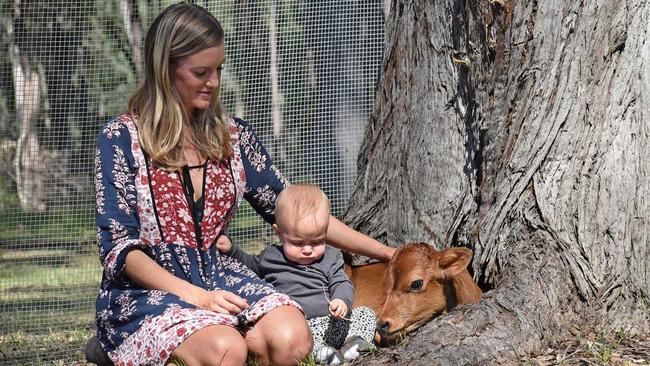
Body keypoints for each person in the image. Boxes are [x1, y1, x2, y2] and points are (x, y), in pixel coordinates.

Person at [90, 2, 395, 366]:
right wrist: (198, 298)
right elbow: (120, 252)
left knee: (292, 340)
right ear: (164, 70)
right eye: (201, 72)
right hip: (149, 291)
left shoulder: (232, 136)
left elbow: (298, 213)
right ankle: (121, 347)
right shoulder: (120, 138)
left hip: (222, 277)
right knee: (226, 350)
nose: (214, 82)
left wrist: (389, 254)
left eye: (218, 69)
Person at [217, 184, 377, 365]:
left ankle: (354, 343)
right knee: (296, 340)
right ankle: (324, 354)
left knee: (365, 313)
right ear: (279, 233)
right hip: (302, 328)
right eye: (298, 243)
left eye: (317, 242)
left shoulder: (330, 257)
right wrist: (231, 250)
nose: (308, 250)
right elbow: (249, 265)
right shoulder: (271, 257)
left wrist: (341, 300)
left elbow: (342, 282)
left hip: (332, 322)